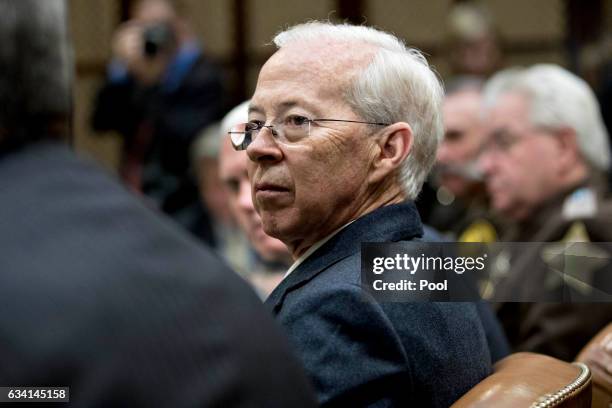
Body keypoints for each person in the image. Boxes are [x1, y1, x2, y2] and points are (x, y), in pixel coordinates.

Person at [0, 1, 317, 406]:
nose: (246, 201)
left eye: (297, 125)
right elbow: (100, 120)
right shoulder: (226, 293)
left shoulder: (382, 267)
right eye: (230, 182)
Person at [233, 21, 492, 406]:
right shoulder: (426, 265)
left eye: (297, 121)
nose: (257, 149)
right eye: (255, 124)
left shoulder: (336, 308)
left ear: (387, 150)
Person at [478, 64, 612, 361]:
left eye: (504, 142)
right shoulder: (525, 225)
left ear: (564, 147)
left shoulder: (589, 231)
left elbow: (546, 378)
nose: (485, 166)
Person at [91, 0, 224, 245]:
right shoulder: (135, 74)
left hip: (187, 205)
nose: (154, 36)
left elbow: (180, 138)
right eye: (145, 27)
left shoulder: (203, 74)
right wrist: (119, 72)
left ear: (181, 26)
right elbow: (100, 122)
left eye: (161, 26)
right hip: (135, 196)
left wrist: (153, 83)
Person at [218, 101, 290, 297]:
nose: (245, 202)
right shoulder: (232, 283)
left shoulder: (378, 253)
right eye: (233, 185)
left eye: (258, 175)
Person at [426, 78, 501, 242]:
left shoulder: (518, 217)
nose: (439, 155)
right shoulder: (440, 213)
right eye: (436, 140)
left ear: (492, 138)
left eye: (455, 137)